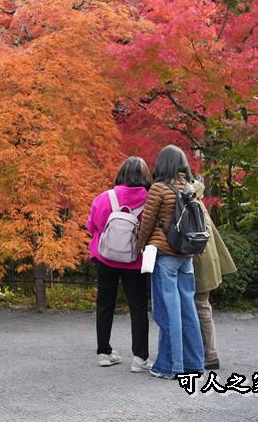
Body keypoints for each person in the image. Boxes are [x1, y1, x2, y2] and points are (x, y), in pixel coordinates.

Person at [137, 145, 204, 379]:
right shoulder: (188, 187)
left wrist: (139, 247)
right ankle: (194, 363)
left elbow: (147, 223)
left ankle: (170, 366)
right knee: (188, 311)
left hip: (165, 256)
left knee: (167, 313)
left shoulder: (158, 188)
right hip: (186, 256)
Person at [85, 156, 152, 372]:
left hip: (106, 258)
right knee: (138, 307)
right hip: (136, 260)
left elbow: (91, 226)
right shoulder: (150, 200)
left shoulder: (104, 198)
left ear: (121, 173)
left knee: (105, 303)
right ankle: (139, 359)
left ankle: (104, 352)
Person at [191, 174, 236, 371]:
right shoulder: (197, 198)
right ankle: (209, 353)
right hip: (207, 259)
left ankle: (209, 354)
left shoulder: (187, 199)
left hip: (198, 261)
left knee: (200, 306)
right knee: (203, 306)